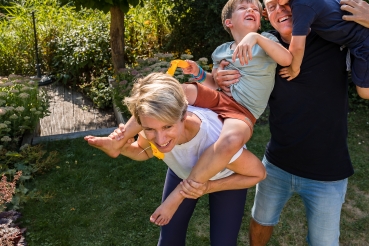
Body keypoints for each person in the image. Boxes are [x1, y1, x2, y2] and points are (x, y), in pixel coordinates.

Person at [207, 0, 369, 246]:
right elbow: (230, 71)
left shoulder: (329, 39)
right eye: (271, 8)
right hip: (277, 162)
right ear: (267, 17)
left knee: (324, 242)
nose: (281, 10)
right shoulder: (265, 48)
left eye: (286, 4)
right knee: (260, 221)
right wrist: (217, 76)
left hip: (327, 172)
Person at [86, 0, 292, 226]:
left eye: (255, 8)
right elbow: (213, 84)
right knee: (177, 91)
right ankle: (120, 139)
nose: (252, 9)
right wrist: (200, 75)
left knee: (228, 142)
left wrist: (255, 38)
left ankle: (180, 193)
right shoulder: (221, 51)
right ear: (229, 22)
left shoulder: (265, 39)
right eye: (243, 7)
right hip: (218, 100)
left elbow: (287, 58)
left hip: (242, 111)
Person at [86, 72, 266, 246]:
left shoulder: (213, 139)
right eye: (150, 129)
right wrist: (124, 147)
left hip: (225, 178)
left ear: (184, 116)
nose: (160, 140)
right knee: (168, 240)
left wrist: (208, 187)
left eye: (167, 127)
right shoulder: (151, 122)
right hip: (181, 173)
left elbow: (258, 174)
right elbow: (144, 150)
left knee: (223, 243)